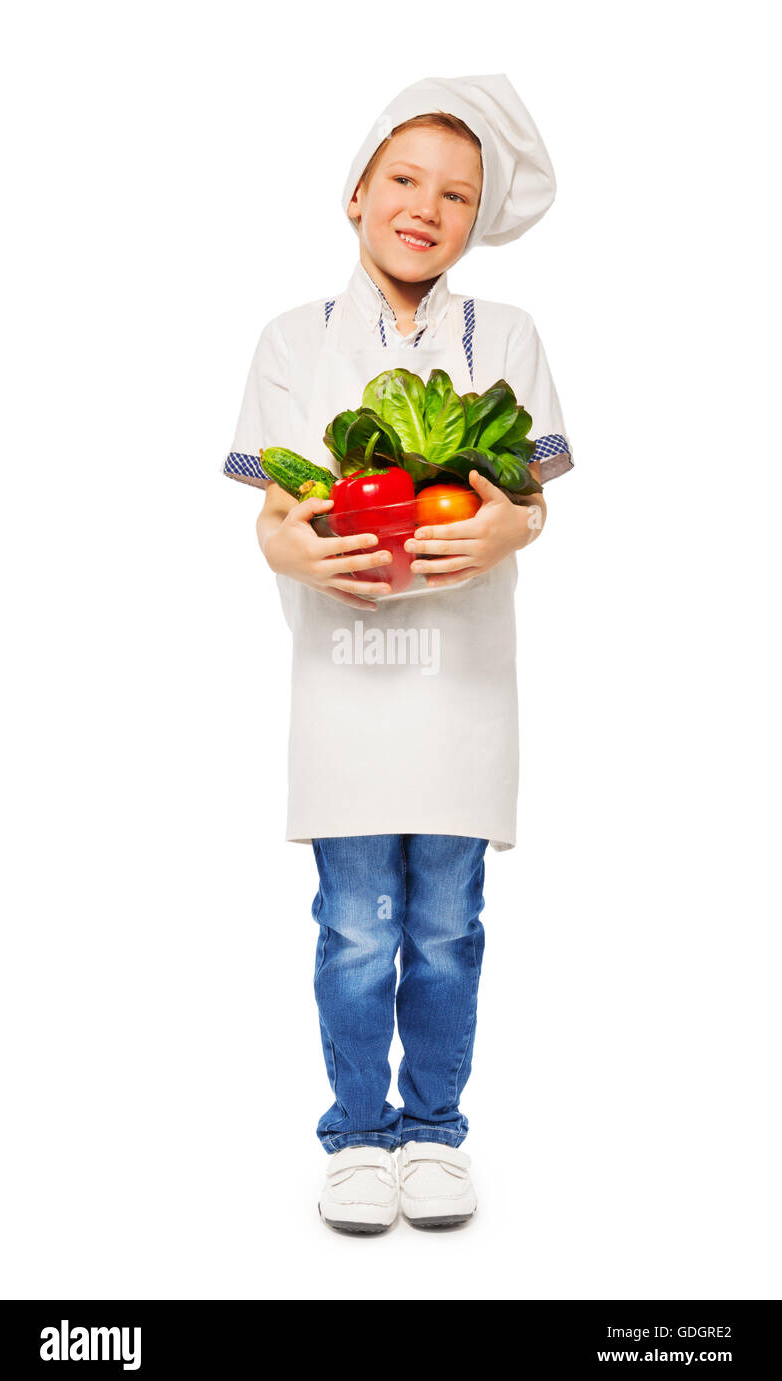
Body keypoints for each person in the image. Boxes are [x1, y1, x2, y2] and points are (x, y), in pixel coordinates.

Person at [221, 74, 574, 1234]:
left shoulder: (506, 335)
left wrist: (509, 523)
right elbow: (276, 514)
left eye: (457, 195)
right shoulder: (291, 339)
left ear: (479, 219)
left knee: (446, 922)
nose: (427, 207)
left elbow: (533, 504)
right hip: (344, 685)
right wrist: (294, 554)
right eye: (407, 180)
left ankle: (434, 1131)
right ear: (360, 190)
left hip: (462, 682)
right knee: (355, 921)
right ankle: (356, 1135)